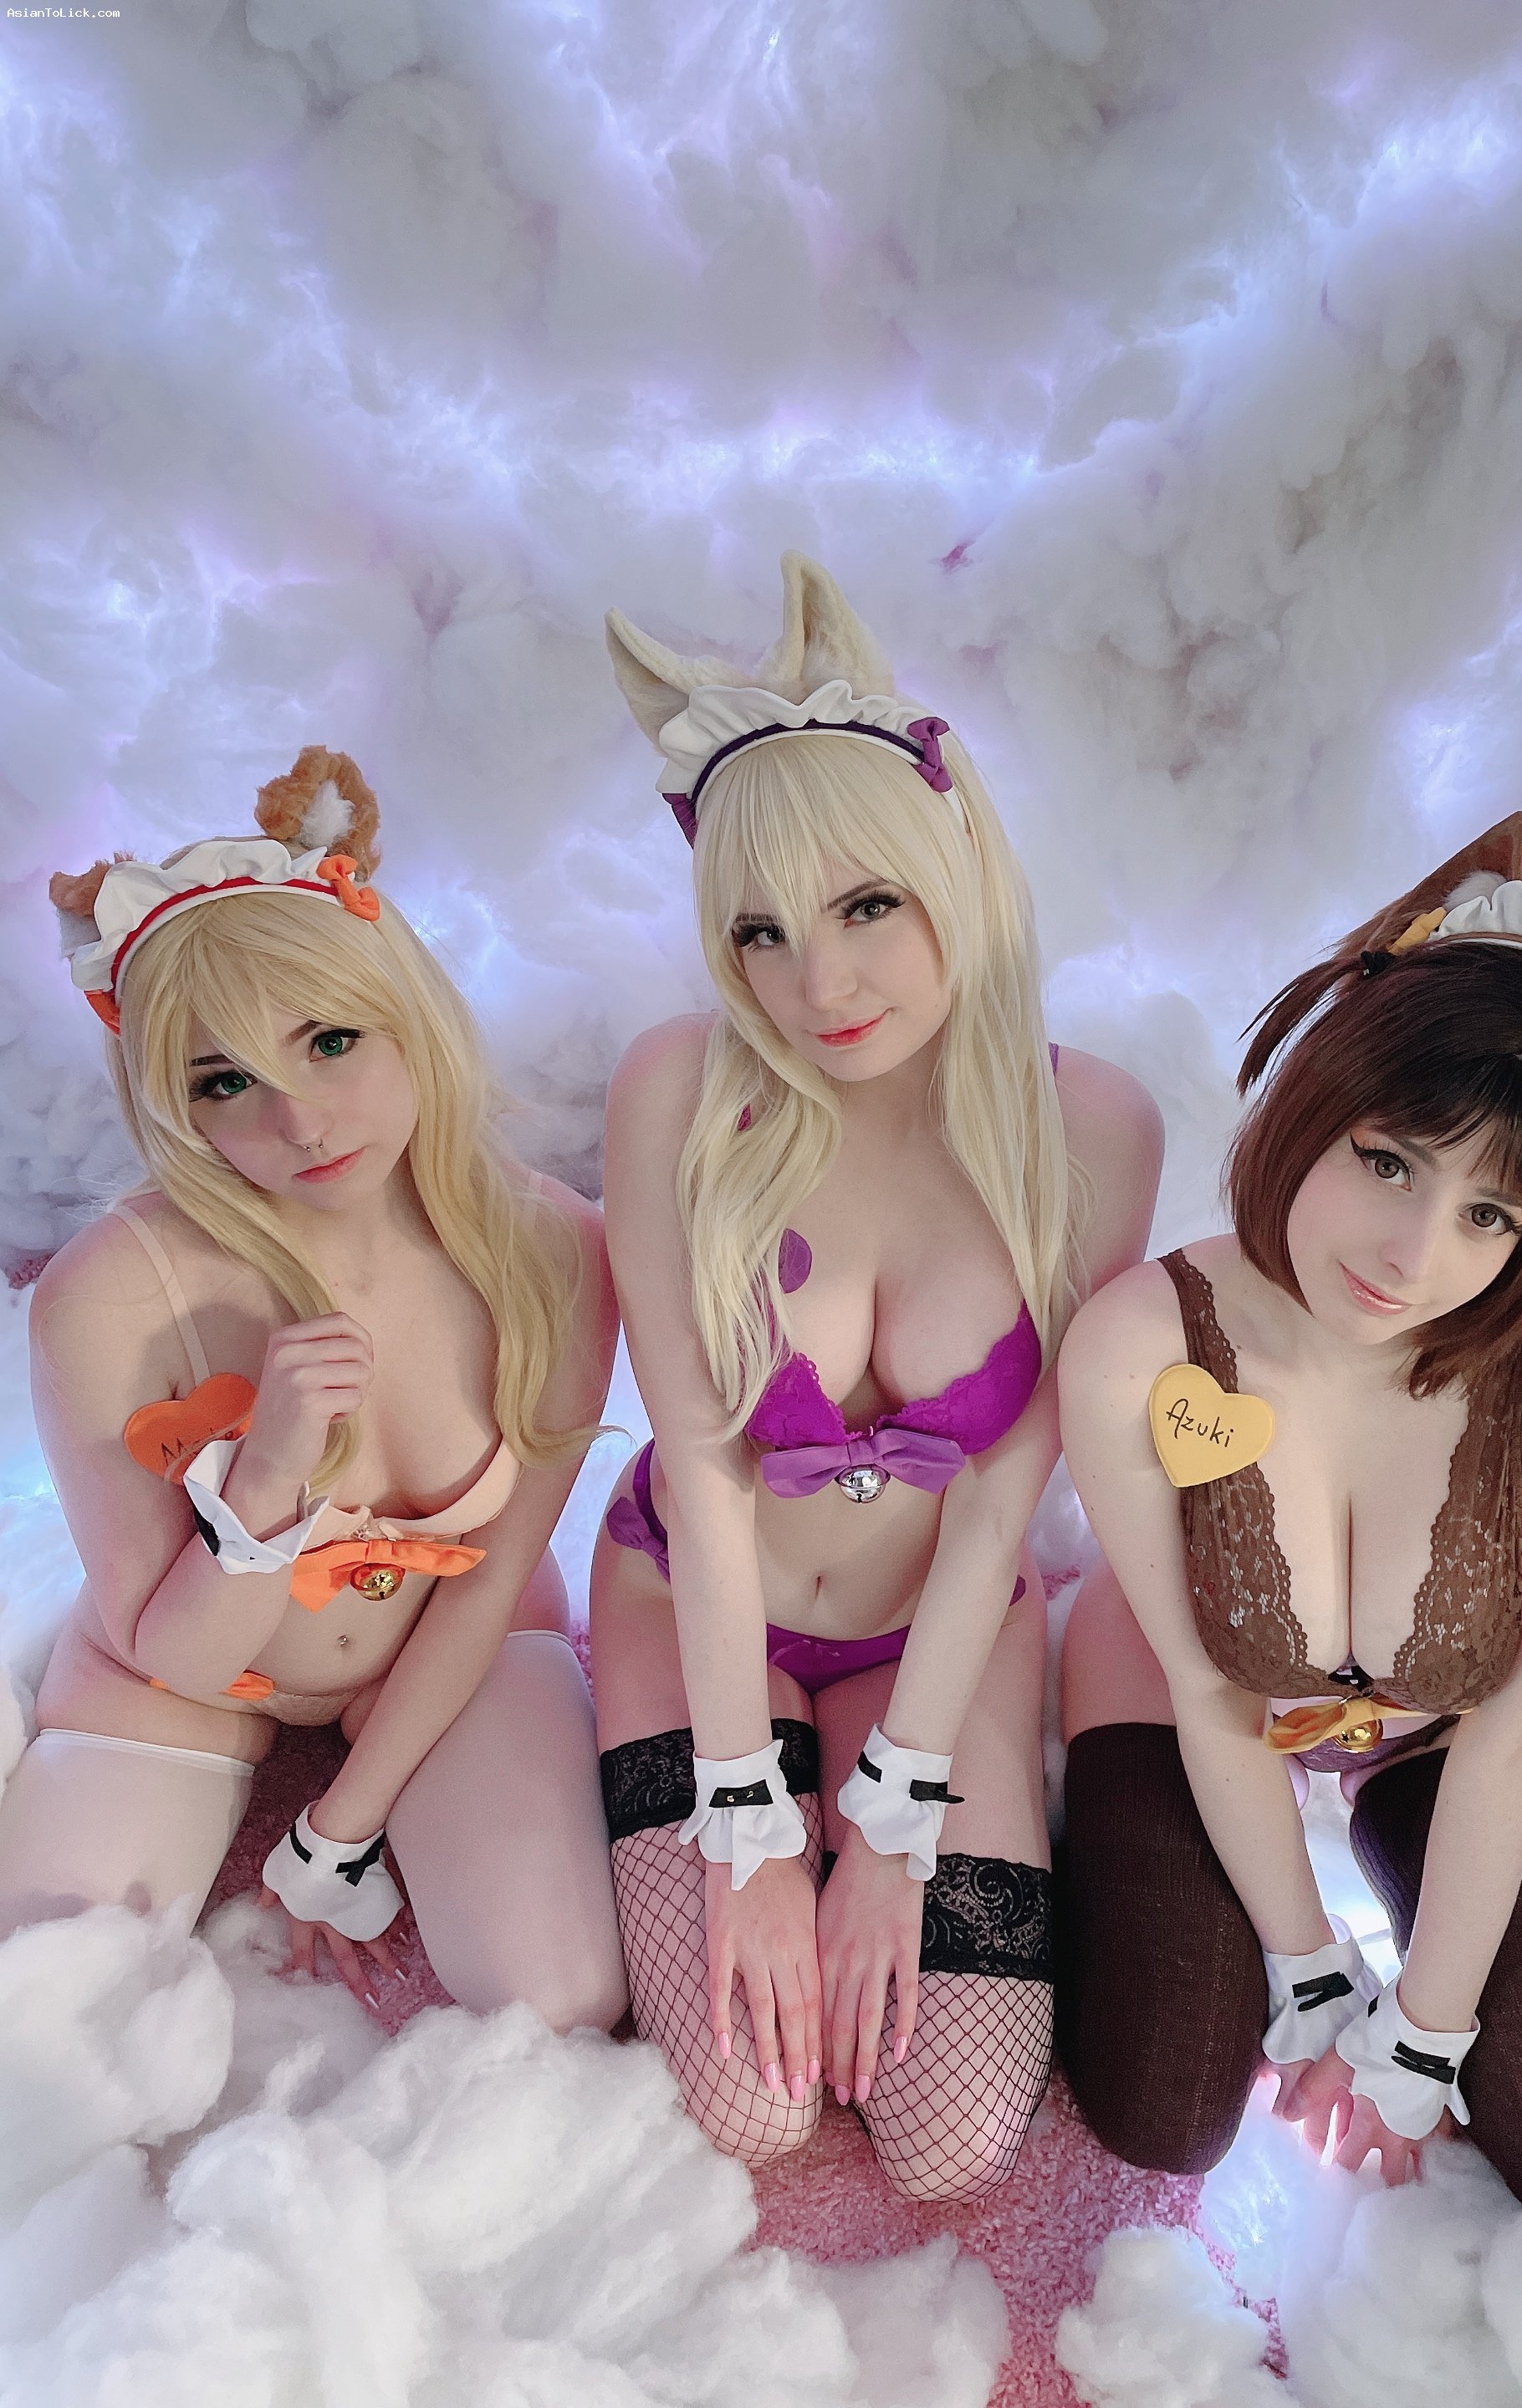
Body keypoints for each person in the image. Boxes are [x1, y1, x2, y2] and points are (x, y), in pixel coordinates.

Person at [592, 554, 1161, 2198]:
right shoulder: (677, 1094)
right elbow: (706, 1482)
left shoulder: (1091, 1130)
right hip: (697, 1607)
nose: (817, 988)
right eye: (760, 934)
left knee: (954, 2130)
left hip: (947, 1628)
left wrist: (893, 1827)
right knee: (748, 2105)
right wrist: (750, 1832)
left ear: (953, 866)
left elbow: (999, 1502)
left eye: (865, 909)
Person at [1055, 814, 1522, 2206]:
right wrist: (1312, 1973)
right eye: (1390, 1161)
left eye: (1493, 1216)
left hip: (1462, 1722)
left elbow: (1514, 1727)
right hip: (1196, 1689)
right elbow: (1211, 1694)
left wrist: (1421, 2033)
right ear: (1321, 1102)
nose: (1412, 1257)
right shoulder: (1141, 1343)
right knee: (1165, 2105)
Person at [0, 749, 626, 2034]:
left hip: (455, 1649)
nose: (300, 1122)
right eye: (224, 1082)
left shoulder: (553, 1249)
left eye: (331, 1042)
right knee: (40, 2016)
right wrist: (269, 1479)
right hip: (178, 1674)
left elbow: (495, 1573)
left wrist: (341, 1829)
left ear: (408, 1015)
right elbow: (175, 1649)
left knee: (558, 2000)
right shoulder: (106, 1299)